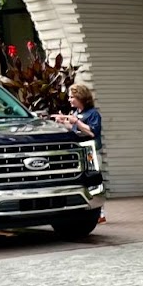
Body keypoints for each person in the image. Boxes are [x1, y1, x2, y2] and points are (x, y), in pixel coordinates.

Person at [54, 83, 106, 219]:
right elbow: (75, 130)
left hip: (91, 153)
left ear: (81, 97)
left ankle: (100, 213)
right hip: (80, 153)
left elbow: (92, 132)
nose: (69, 100)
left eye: (72, 97)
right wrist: (63, 122)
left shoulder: (93, 113)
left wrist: (76, 122)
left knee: (94, 180)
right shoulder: (77, 113)